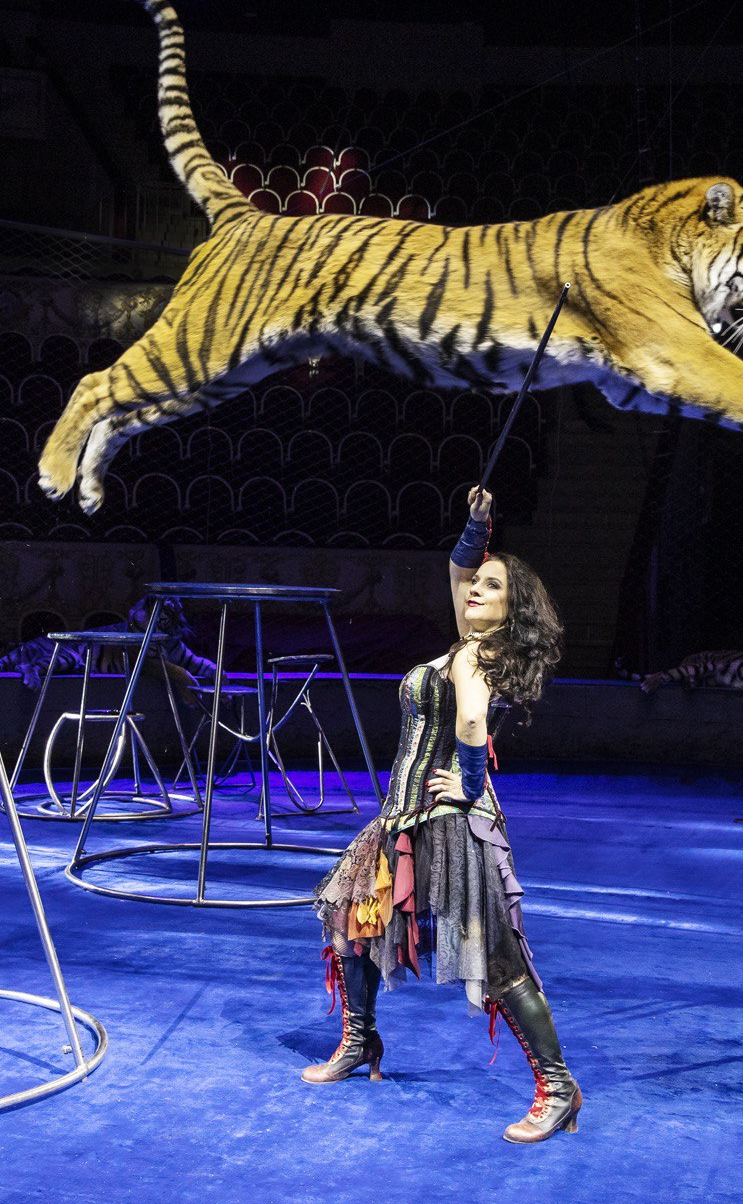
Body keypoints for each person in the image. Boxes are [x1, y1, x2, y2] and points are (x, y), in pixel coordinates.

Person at [302, 486, 581, 1144]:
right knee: (355, 919)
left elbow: (473, 720)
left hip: (449, 824)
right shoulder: (467, 642)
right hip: (403, 817)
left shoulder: (478, 653)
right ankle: (360, 1042)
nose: (474, 590)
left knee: (496, 958)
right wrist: (477, 526)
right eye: (476, 584)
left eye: (491, 586)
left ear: (512, 609)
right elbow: (458, 571)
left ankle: (559, 1088)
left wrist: (471, 783)